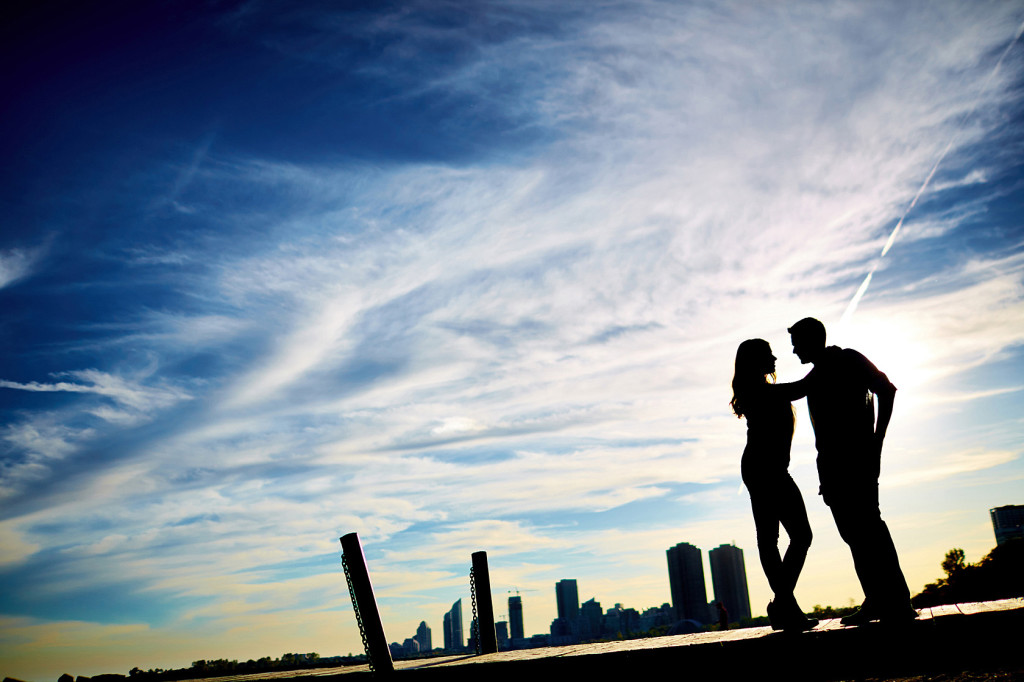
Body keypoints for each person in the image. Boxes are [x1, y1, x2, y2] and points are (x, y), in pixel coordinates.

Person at [787, 317, 917, 625]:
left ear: (811, 340)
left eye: (796, 344)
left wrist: (878, 439)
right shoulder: (817, 374)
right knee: (854, 535)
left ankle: (897, 602)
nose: (793, 351)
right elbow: (793, 391)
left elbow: (887, 389)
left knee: (869, 529)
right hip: (832, 469)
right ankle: (876, 599)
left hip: (856, 462)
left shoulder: (848, 359)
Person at [731, 338, 817, 632]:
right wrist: (825, 363)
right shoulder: (756, 391)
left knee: (790, 538)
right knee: (781, 538)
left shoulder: (762, 390)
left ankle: (783, 605)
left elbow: (795, 390)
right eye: (769, 354)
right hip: (762, 469)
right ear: (755, 360)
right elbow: (799, 389)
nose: (776, 357)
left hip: (770, 469)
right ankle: (784, 605)